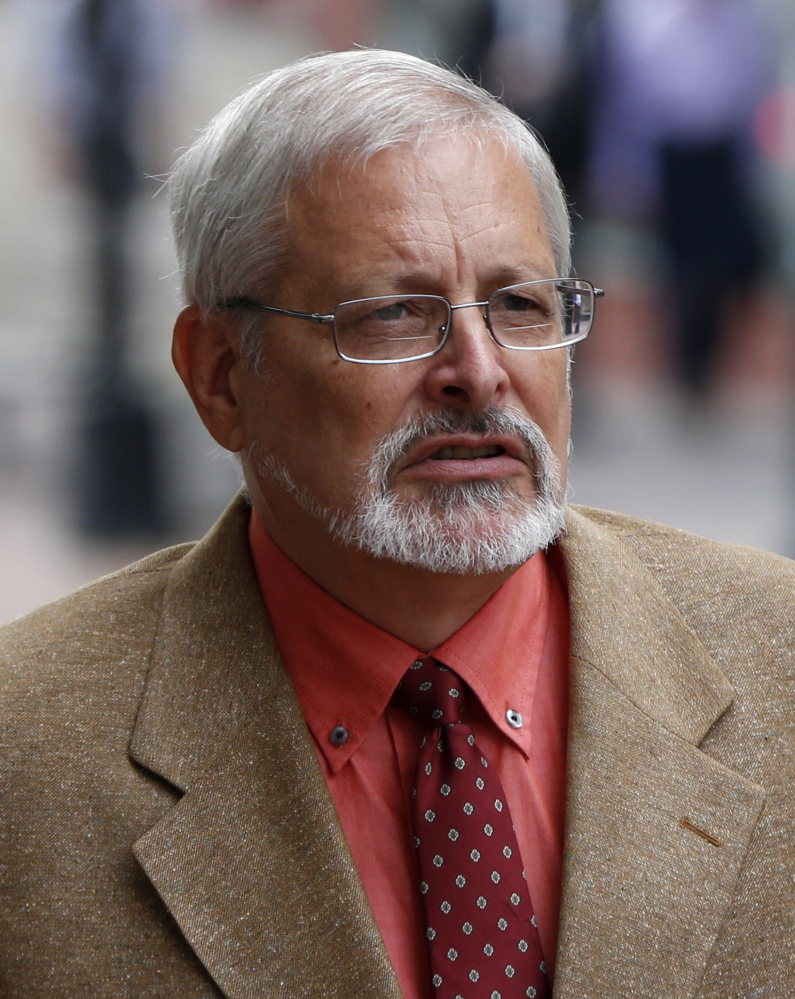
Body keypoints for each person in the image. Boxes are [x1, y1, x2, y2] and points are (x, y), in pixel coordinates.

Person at [1, 49, 793, 999]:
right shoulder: (27, 754)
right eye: (390, 315)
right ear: (219, 374)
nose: (479, 368)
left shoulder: (774, 657)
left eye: (518, 304)